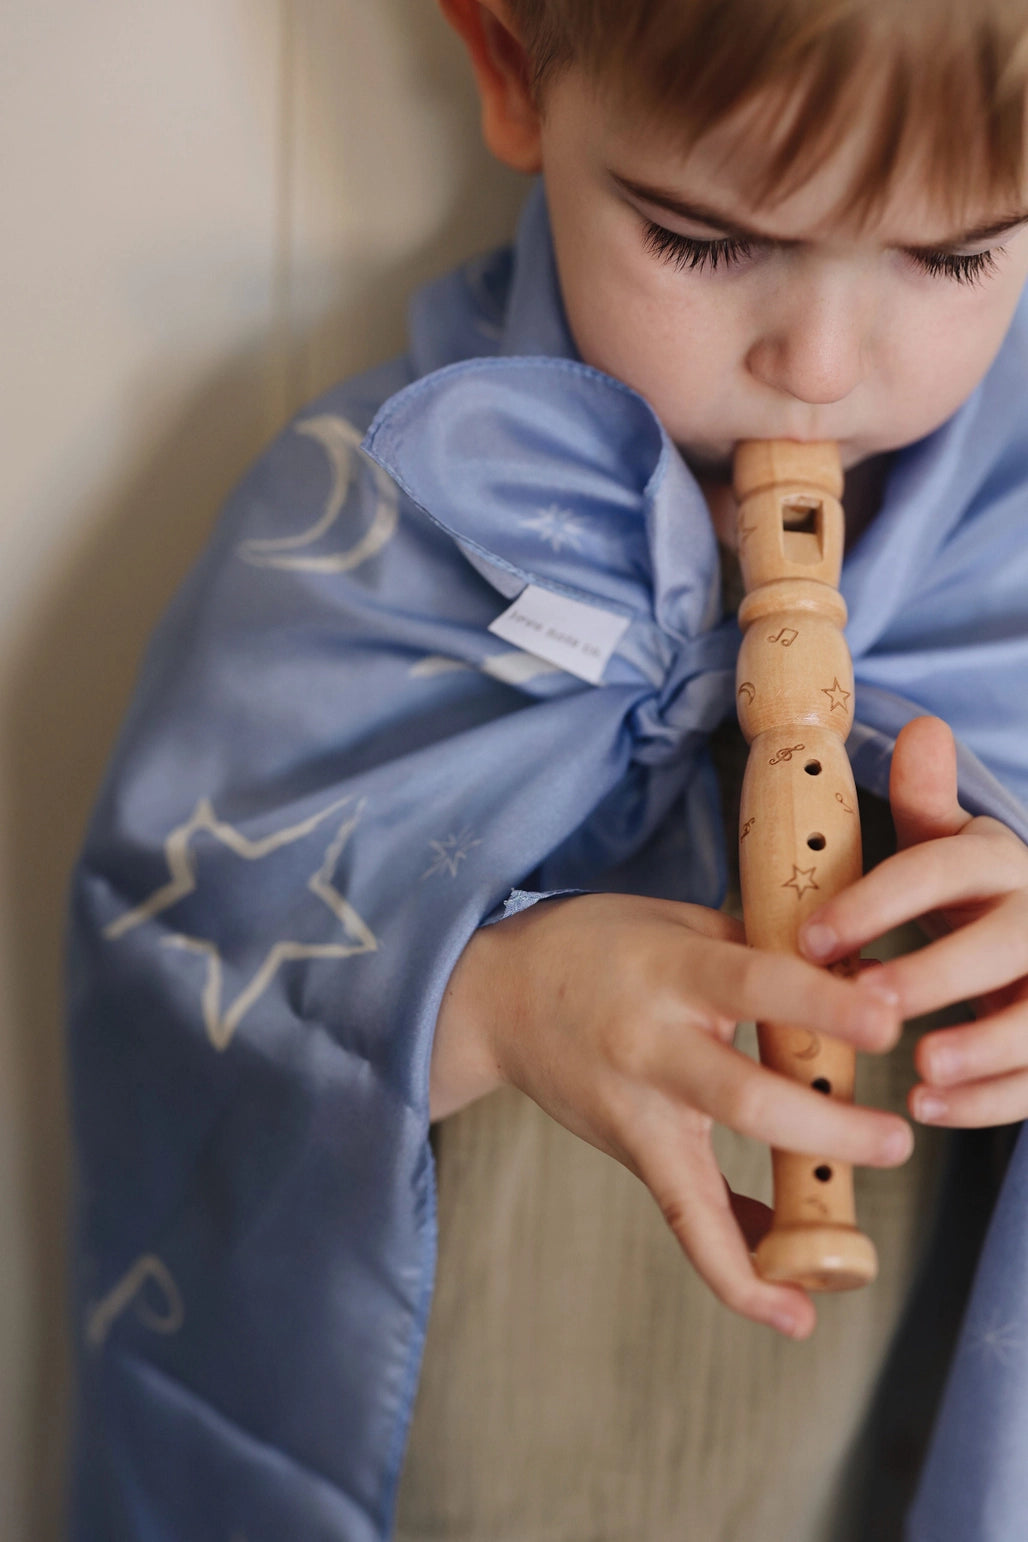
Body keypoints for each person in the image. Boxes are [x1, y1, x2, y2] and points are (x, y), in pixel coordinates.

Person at [66, 0, 1028, 1537]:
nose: (821, 367)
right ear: (513, 71)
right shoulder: (381, 514)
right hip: (474, 1454)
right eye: (707, 240)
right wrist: (497, 998)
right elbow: (174, 954)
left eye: (956, 256)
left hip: (870, 1449)